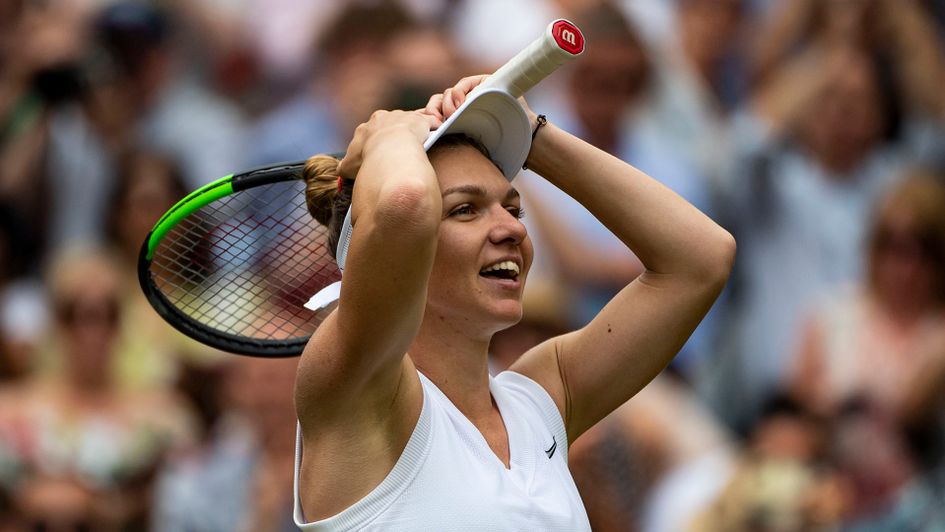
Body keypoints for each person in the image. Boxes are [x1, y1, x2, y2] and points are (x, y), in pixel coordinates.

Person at [293, 74, 735, 529]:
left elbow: (699, 260)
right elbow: (403, 203)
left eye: (513, 208)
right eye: (465, 209)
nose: (513, 229)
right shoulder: (353, 383)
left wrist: (531, 134)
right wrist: (391, 135)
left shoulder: (540, 399)